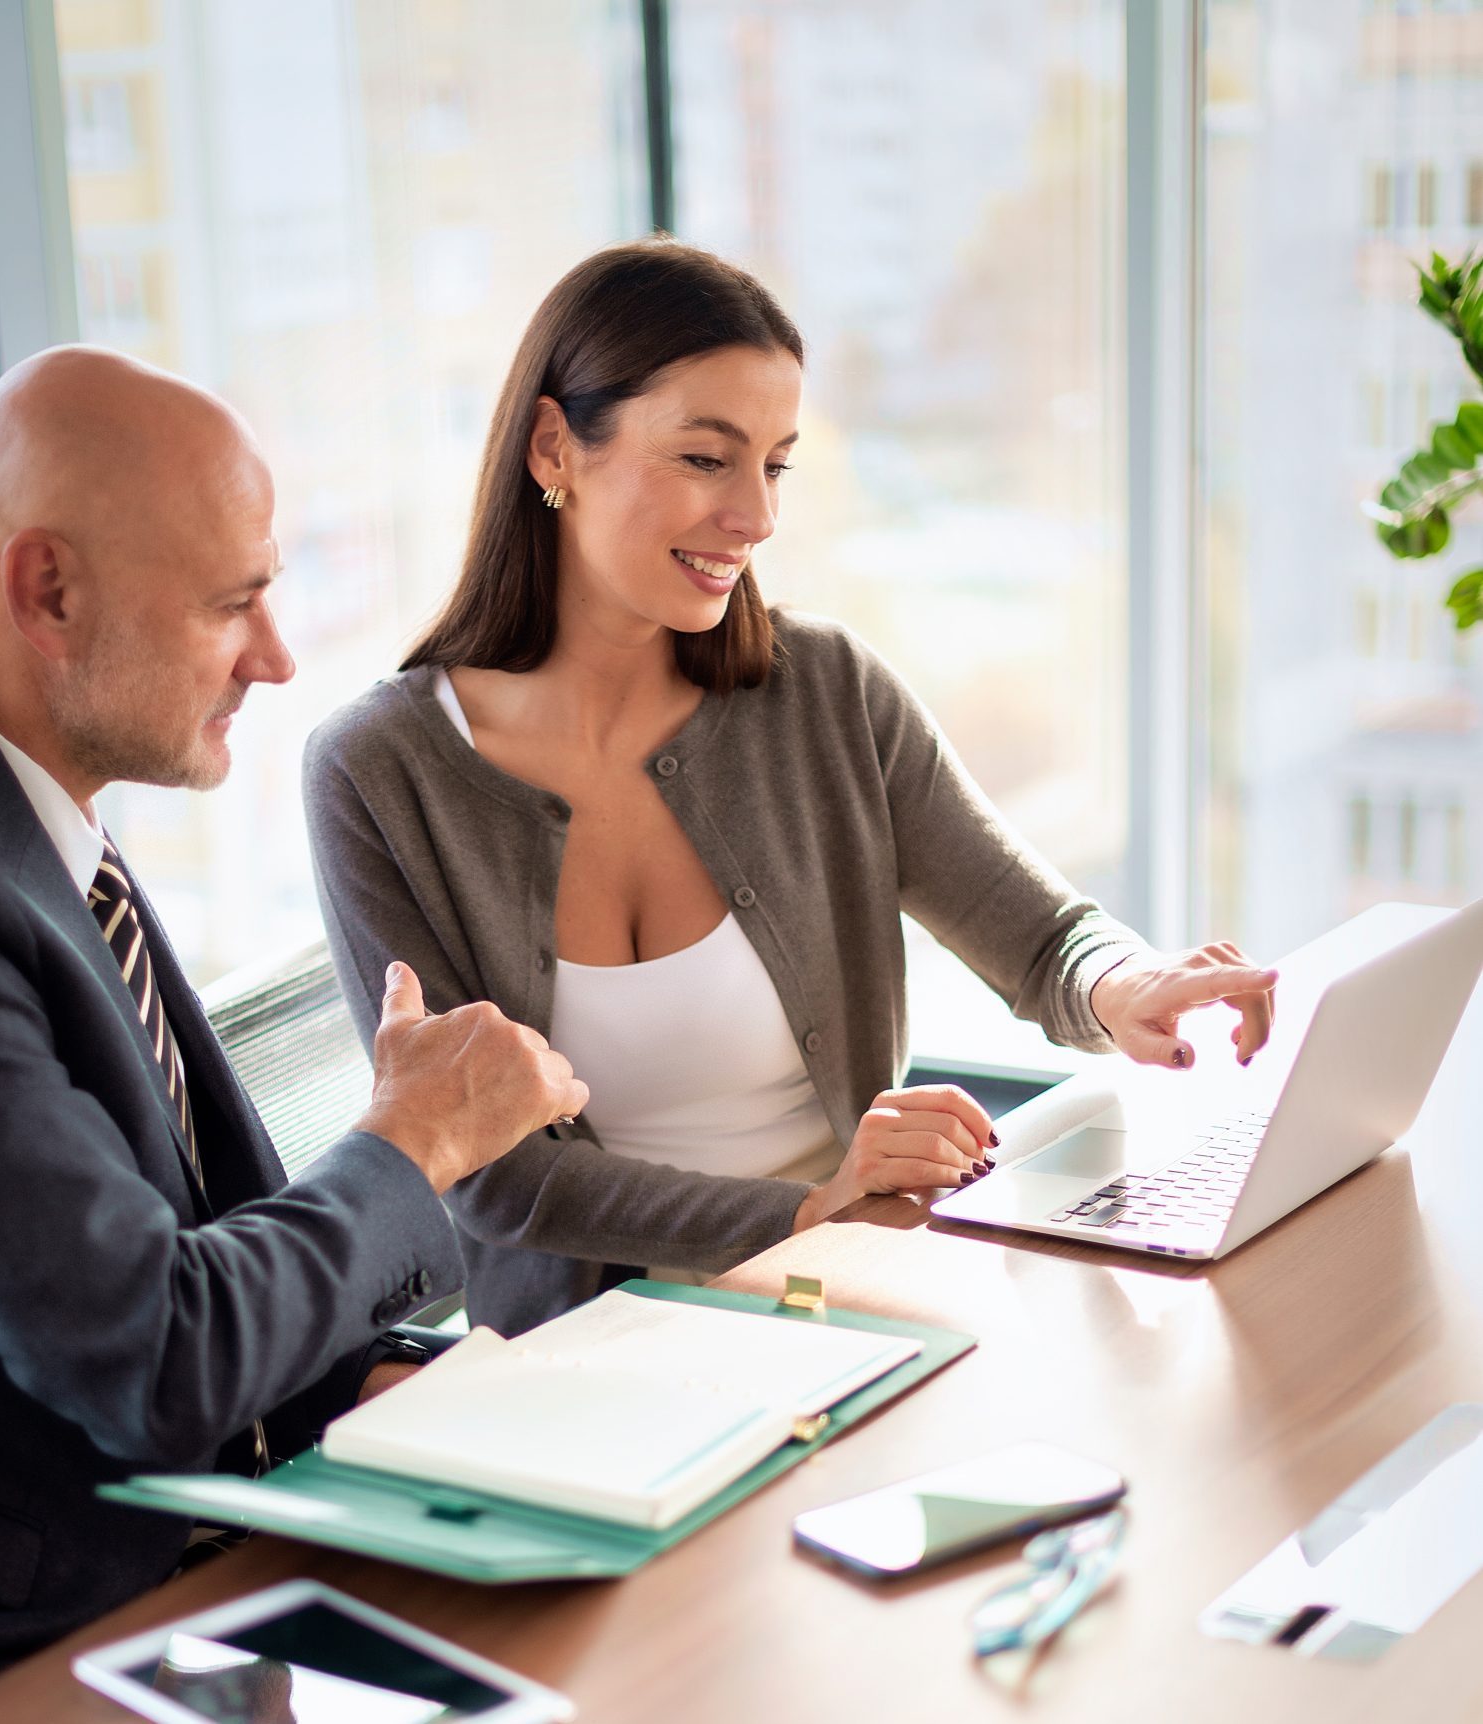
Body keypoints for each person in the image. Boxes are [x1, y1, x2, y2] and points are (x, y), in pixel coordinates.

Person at [0, 346, 587, 1724]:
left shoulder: (22, 813)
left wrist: (450, 1383)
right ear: (49, 591)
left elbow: (193, 1258)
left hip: (185, 1583)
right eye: (231, 603)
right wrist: (414, 1139)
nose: (276, 657)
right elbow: (155, 1354)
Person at [303, 238, 1276, 1338]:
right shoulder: (377, 772)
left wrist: (1126, 984)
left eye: (773, 466)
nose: (756, 519)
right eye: (705, 459)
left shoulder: (827, 691)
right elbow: (488, 1170)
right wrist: (809, 1210)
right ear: (553, 445)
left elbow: (1044, 939)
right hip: (594, 1360)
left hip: (861, 1300)